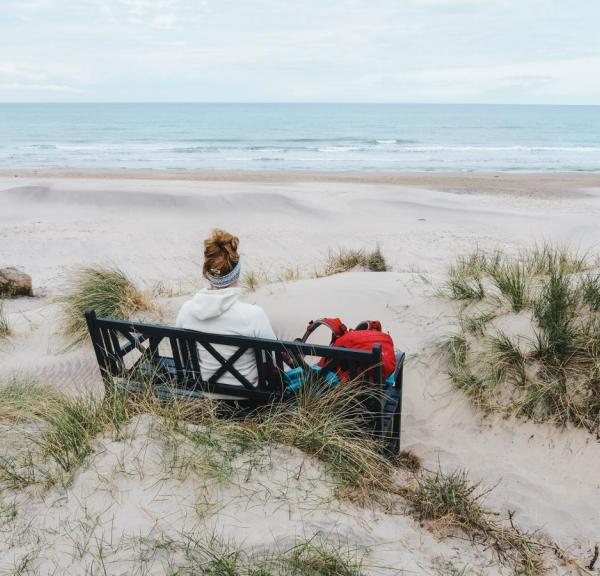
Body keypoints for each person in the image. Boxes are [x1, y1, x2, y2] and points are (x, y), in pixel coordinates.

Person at [175, 229, 275, 385]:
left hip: (203, 392)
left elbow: (183, 357)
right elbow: (273, 360)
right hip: (250, 397)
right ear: (237, 273)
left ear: (207, 274)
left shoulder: (187, 310)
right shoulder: (253, 315)